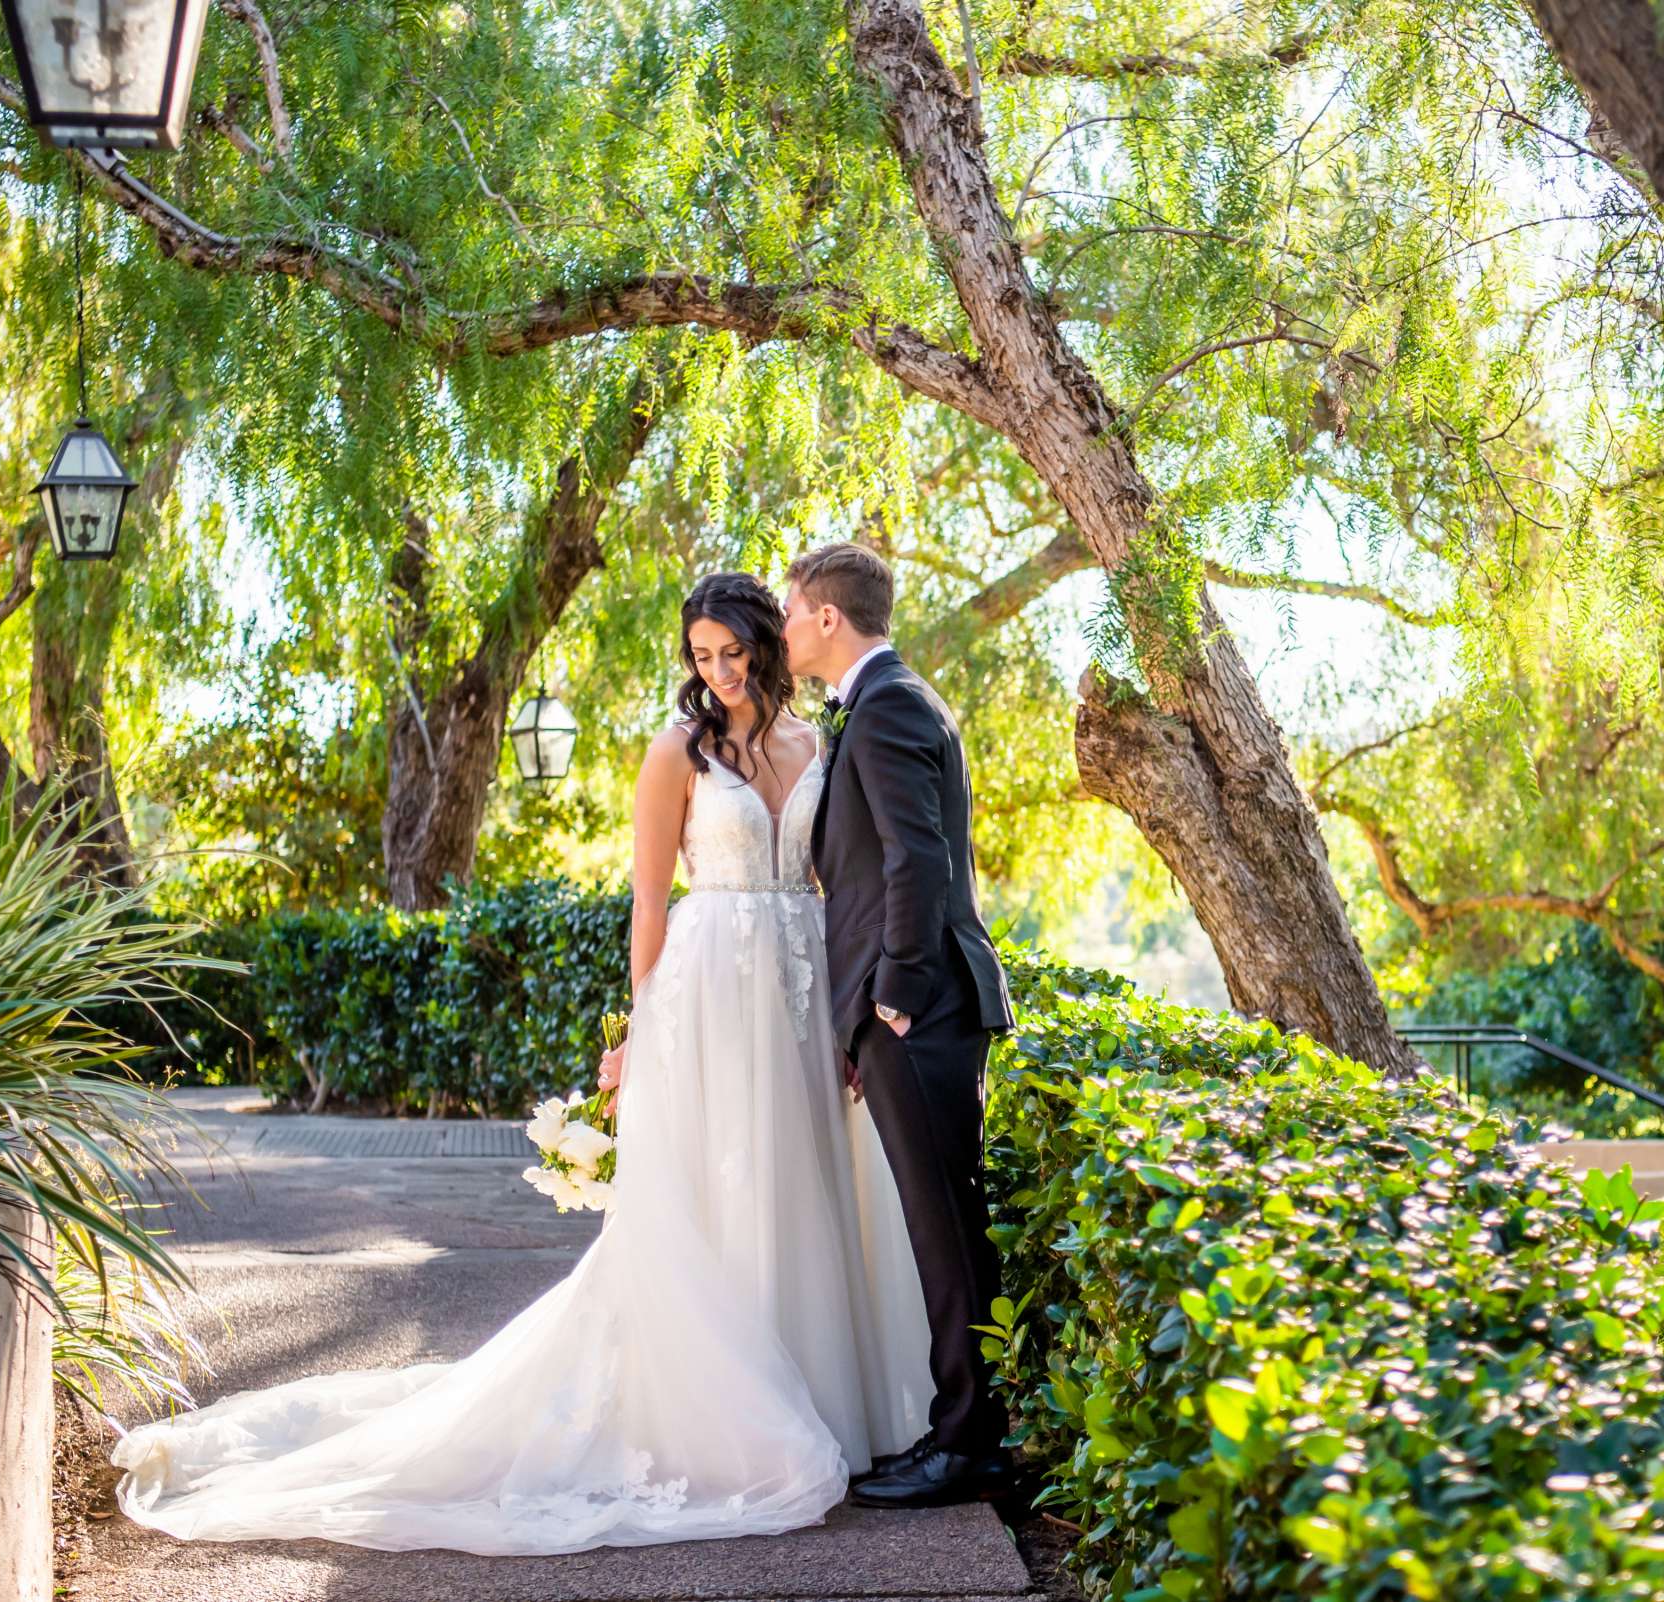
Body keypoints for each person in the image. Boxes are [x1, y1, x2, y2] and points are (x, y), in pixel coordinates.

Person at [111, 573, 933, 1555]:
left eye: (732, 651)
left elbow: (834, 878)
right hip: (708, 993)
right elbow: (648, 906)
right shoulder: (675, 753)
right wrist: (643, 1024)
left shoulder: (818, 747)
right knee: (707, 1198)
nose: (717, 671)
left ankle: (816, 1393)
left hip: (800, 988)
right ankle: (722, 1415)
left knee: (796, 1181)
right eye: (701, 656)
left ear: (767, 642)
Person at [781, 542, 1017, 1510]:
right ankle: (963, 1432)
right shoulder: (884, 703)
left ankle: (969, 1448)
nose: (784, 627)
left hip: (919, 1009)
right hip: (899, 1010)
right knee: (943, 1228)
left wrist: (898, 993)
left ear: (828, 617)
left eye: (792, 611)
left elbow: (919, 860)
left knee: (948, 1231)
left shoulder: (890, 706)